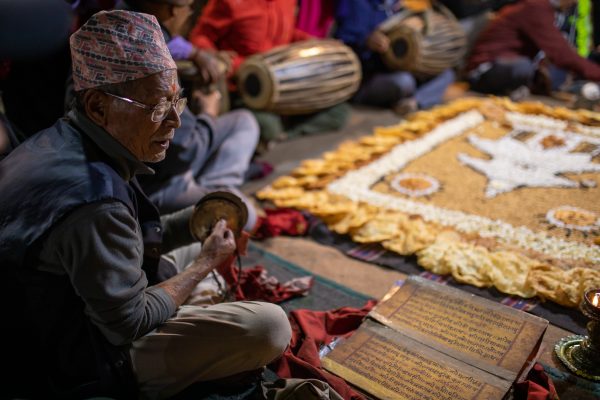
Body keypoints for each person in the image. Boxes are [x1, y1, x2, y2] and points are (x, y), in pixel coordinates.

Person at [0, 10, 290, 399]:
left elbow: (125, 240)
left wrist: (194, 221)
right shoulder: (95, 203)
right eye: (156, 108)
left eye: (177, 102)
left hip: (57, 309)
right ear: (99, 106)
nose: (173, 121)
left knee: (196, 241)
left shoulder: (60, 138)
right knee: (270, 327)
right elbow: (127, 322)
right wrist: (205, 264)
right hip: (71, 358)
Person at [112, 0, 261, 231]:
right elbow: (186, 151)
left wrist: (197, 54)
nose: (190, 13)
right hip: (155, 183)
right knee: (245, 215)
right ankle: (213, 200)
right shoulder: (155, 62)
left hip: (171, 163)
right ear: (173, 10)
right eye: (189, 7)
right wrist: (208, 114)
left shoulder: (120, 24)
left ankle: (216, 191)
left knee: (244, 121)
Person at [187, 0, 350, 145]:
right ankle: (272, 132)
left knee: (338, 114)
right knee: (267, 127)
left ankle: (282, 134)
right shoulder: (229, 3)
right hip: (245, 89)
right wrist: (212, 56)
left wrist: (314, 44)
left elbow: (289, 33)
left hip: (283, 83)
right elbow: (200, 36)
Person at [334, 0, 456, 115]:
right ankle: (412, 96)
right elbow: (342, 38)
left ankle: (415, 102)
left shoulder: (397, 5)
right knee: (404, 81)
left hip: (399, 68)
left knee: (447, 73)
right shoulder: (357, 4)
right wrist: (366, 40)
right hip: (369, 76)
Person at [466, 0, 600, 97]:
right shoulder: (535, 7)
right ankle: (501, 91)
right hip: (485, 69)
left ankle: (516, 88)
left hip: (508, 64)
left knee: (555, 74)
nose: (574, 3)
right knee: (523, 66)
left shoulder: (545, 9)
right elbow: (561, 53)